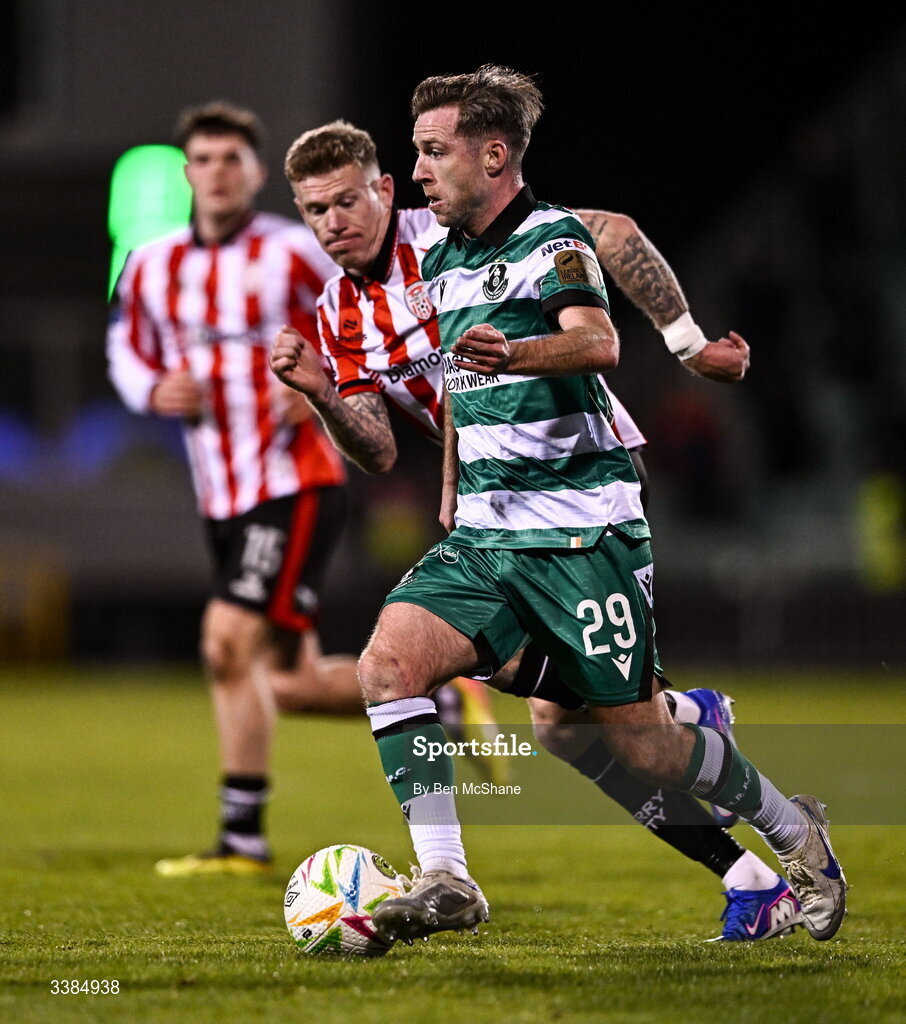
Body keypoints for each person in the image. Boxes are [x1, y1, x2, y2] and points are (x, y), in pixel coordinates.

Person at [270, 119, 811, 942]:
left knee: (616, 739)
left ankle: (697, 749)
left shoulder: (451, 227)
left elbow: (612, 234)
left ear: (384, 190)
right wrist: (318, 391)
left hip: (576, 495)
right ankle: (729, 872)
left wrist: (688, 344)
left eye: (348, 199)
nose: (334, 221)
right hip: (494, 522)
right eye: (315, 210)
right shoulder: (341, 310)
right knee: (480, 703)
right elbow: (379, 448)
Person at [106, 101, 366, 877]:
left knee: (224, 641)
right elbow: (128, 348)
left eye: (233, 160)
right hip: (219, 491)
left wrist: (331, 380)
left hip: (296, 479)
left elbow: (364, 307)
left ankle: (242, 840)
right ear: (187, 174)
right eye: (204, 160)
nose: (217, 173)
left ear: (255, 173)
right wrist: (151, 390)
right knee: (286, 681)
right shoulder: (153, 264)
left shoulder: (291, 251)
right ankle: (443, 700)